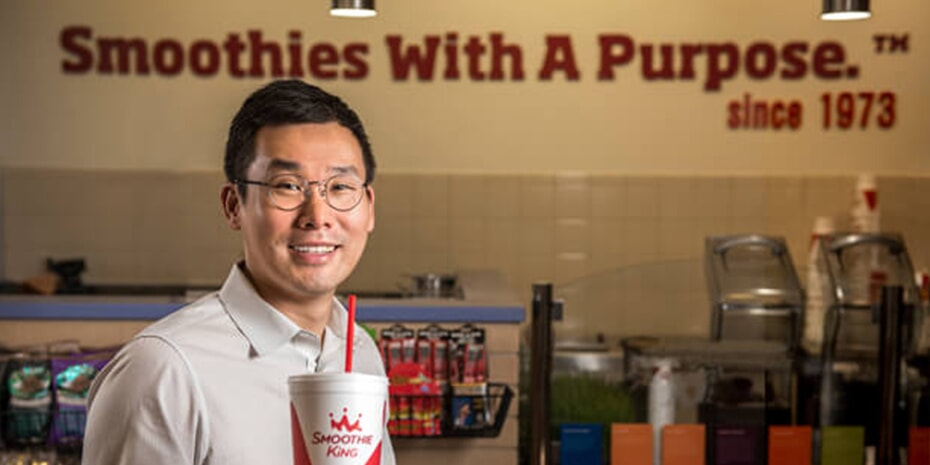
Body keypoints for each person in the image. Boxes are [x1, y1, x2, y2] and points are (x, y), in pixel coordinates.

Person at [81, 79, 394, 465]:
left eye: (341, 186)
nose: (317, 216)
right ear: (233, 206)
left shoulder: (358, 352)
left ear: (369, 207)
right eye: (287, 186)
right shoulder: (163, 370)